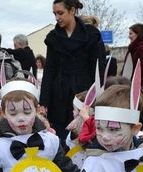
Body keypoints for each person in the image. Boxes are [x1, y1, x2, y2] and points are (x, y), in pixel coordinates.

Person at [40, 0, 106, 140]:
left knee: (85, 139)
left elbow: (99, 69)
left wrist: (99, 96)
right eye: (54, 13)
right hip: (59, 97)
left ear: (72, 11)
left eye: (60, 13)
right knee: (61, 139)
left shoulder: (91, 35)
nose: (57, 17)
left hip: (85, 95)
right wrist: (44, 102)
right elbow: (49, 71)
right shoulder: (53, 38)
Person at [126, 23, 143, 142]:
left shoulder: (141, 47)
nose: (129, 36)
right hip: (136, 83)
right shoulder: (136, 47)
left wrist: (136, 75)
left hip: (139, 84)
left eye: (131, 33)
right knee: (139, 114)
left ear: (138, 34)